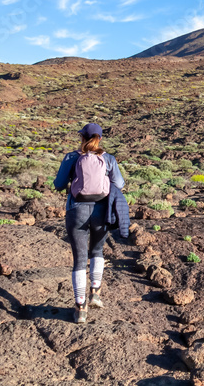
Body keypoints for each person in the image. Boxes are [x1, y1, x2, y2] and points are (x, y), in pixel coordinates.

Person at [53, 123, 125, 324]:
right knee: (97, 251)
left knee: (79, 258)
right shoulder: (108, 158)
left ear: (82, 138)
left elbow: (59, 184)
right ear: (99, 138)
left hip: (76, 210)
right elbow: (119, 184)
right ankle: (95, 292)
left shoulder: (71, 157)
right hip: (102, 210)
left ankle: (81, 308)